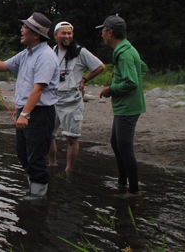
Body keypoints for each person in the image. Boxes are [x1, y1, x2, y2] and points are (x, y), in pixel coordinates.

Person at [0, 12, 58, 199]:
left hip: (39, 114)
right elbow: (2, 65)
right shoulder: (27, 53)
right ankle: (34, 191)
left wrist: (25, 114)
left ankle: (37, 200)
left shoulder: (46, 56)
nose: (22, 30)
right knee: (23, 155)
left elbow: (38, 89)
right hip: (26, 111)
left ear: (35, 34)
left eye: (25, 27)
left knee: (36, 158)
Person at [97, 15, 147, 197]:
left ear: (110, 33)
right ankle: (121, 183)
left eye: (103, 31)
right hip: (125, 106)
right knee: (116, 144)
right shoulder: (128, 50)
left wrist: (111, 89)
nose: (101, 34)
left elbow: (131, 82)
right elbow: (143, 68)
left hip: (128, 107)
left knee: (124, 147)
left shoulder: (124, 53)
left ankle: (133, 191)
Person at [48, 21, 105, 172]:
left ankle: (69, 170)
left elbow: (100, 66)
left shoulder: (80, 52)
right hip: (53, 100)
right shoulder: (52, 51)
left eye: (69, 33)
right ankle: (52, 165)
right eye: (63, 33)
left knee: (71, 138)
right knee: (47, 135)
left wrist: (85, 79)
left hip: (72, 101)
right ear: (55, 35)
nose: (67, 36)